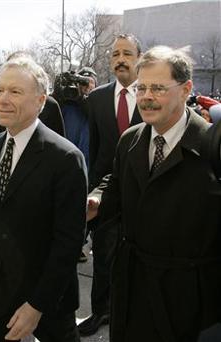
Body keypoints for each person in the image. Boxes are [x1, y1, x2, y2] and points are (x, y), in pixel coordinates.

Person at [93, 45, 221, 342]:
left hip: (189, 301)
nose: (147, 97)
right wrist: (98, 198)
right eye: (141, 88)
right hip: (132, 288)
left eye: (159, 88)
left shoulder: (211, 147)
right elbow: (116, 182)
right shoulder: (130, 139)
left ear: (186, 88)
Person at [0, 57, 87, 342]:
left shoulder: (66, 158)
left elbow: (69, 242)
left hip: (49, 298)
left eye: (15, 92)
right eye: (0, 90)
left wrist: (38, 304)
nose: (2, 99)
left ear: (40, 100)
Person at [78, 33, 143, 336]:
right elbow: (97, 148)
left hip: (144, 194)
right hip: (105, 194)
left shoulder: (150, 95)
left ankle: (130, 312)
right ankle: (100, 311)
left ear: (138, 59)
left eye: (127, 53)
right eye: (115, 54)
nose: (120, 59)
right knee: (103, 258)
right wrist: (92, 191)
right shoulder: (97, 97)